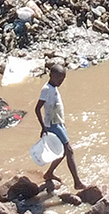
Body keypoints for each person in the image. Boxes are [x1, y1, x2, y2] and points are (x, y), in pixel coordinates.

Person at [33, 61, 85, 192]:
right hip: (52, 125)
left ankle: (49, 173)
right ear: (51, 75)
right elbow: (37, 109)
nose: (60, 81)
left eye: (63, 78)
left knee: (62, 152)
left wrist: (62, 122)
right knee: (69, 150)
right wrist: (43, 127)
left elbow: (56, 107)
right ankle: (77, 182)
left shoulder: (54, 88)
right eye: (58, 77)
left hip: (58, 123)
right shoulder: (46, 89)